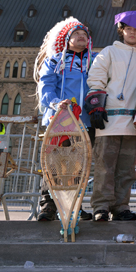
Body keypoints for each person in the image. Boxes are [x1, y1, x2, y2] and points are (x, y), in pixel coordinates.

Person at [85, 22, 136, 222]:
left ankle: (121, 206)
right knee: (105, 167)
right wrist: (96, 105)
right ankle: (102, 207)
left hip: (134, 121)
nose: (133, 32)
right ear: (122, 31)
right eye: (128, 29)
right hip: (109, 119)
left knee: (127, 169)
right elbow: (96, 77)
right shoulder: (109, 52)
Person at [35, 18, 97, 222]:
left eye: (84, 35)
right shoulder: (54, 61)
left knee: (80, 166)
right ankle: (48, 206)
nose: (81, 37)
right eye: (76, 35)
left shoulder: (95, 61)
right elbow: (46, 85)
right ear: (67, 40)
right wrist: (54, 103)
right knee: (53, 163)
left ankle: (75, 206)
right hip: (59, 119)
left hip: (85, 121)